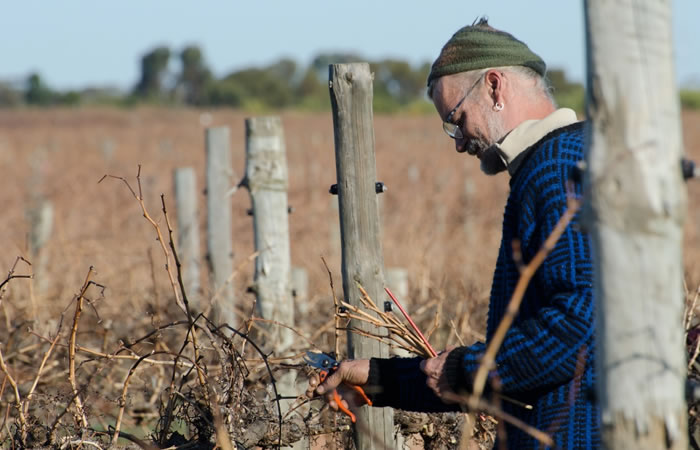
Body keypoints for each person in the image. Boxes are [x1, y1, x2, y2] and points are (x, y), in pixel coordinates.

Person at [308, 18, 599, 449]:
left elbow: (582, 325)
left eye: (456, 119)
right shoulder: (559, 162)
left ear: (495, 87)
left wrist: (467, 370)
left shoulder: (558, 169)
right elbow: (522, 362)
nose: (459, 143)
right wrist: (380, 378)